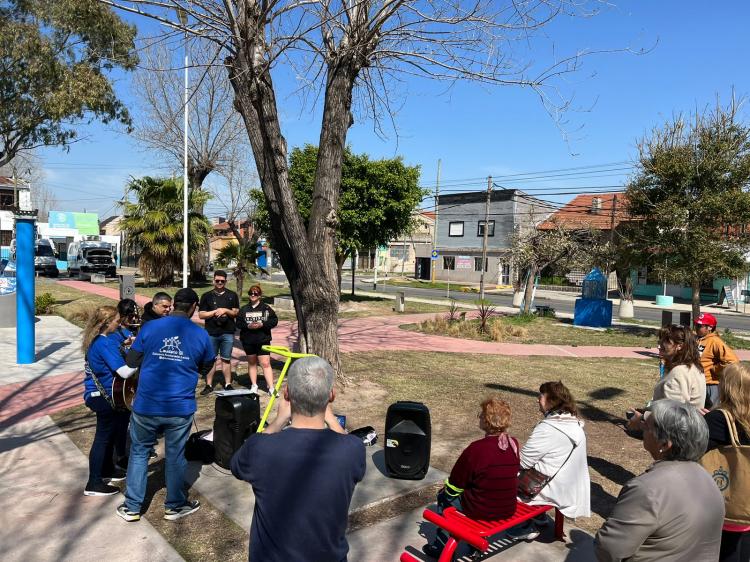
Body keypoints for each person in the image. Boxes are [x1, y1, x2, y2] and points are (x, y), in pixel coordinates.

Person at [230, 356, 366, 562]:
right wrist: (331, 420)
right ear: (332, 396)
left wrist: (278, 421)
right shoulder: (352, 449)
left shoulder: (259, 447)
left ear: (287, 395)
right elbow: (348, 445)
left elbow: (236, 466)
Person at [116, 288, 215, 522]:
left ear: (173, 305)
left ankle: (132, 507)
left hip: (146, 404)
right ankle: (174, 505)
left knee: (139, 452)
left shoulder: (150, 327)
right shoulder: (201, 335)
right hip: (179, 407)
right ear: (194, 307)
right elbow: (207, 365)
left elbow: (132, 360)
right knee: (175, 455)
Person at [594, 399, 724, 561]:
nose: (643, 430)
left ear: (664, 444)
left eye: (647, 427)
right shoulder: (709, 481)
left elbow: (609, 548)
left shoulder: (647, 489)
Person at [422, 396, 520, 559]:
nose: (479, 417)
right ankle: (475, 545)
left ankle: (442, 548)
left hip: (482, 509)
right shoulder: (513, 443)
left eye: (481, 414)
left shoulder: (476, 449)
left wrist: (446, 494)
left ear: (488, 420)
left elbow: (455, 483)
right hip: (507, 507)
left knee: (443, 497)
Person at [508, 381, 590, 541]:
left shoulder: (548, 428)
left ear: (552, 401)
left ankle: (521, 527)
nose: (538, 399)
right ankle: (540, 516)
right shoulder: (575, 424)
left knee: (502, 476)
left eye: (541, 396)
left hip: (548, 487)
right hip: (570, 486)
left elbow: (522, 462)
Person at [81, 305, 137, 496]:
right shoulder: (103, 343)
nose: (118, 323)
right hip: (101, 397)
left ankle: (106, 469)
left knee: (110, 435)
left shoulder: (98, 340)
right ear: (106, 323)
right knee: (102, 439)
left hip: (106, 395)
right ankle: (94, 483)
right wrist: (142, 359)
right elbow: (124, 371)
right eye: (115, 320)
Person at [703, 362, 750, 562]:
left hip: (727, 509)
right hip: (747, 509)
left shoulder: (718, 420)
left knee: (725, 552)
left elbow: (692, 450)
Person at [627, 324, 706, 429]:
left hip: (677, 435)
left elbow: (673, 415)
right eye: (660, 341)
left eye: (666, 341)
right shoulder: (692, 367)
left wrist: (641, 418)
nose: (659, 346)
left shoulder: (679, 372)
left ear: (680, 346)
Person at [199, 270, 239, 394]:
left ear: (226, 281)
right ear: (213, 281)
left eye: (222, 281)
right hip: (211, 332)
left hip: (227, 332)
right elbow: (201, 315)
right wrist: (216, 311)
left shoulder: (232, 295)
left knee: (226, 359)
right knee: (211, 359)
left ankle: (227, 384)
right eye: (217, 281)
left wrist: (225, 310)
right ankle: (209, 385)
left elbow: (236, 312)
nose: (220, 283)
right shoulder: (206, 296)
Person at [236, 285, 278, 395]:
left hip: (263, 340)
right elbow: (239, 323)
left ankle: (271, 388)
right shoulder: (244, 309)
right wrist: (247, 326)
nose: (253, 295)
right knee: (252, 363)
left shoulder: (266, 308)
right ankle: (254, 385)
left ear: (260, 295)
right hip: (248, 341)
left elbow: (274, 321)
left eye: (256, 293)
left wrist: (262, 324)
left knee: (265, 363)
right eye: (251, 293)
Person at [695, 312, 738, 409]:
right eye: (696, 325)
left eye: (700, 326)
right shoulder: (697, 339)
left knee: (710, 413)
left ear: (710, 327)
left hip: (710, 385)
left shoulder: (715, 341)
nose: (696, 327)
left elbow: (732, 361)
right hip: (697, 382)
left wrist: (715, 370)